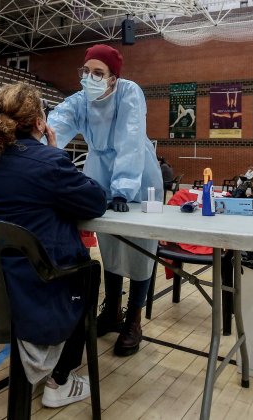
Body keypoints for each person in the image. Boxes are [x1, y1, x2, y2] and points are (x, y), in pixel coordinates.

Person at [0, 82, 108, 408]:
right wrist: (56, 153)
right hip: (26, 303)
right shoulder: (50, 162)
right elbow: (95, 202)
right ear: (40, 123)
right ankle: (60, 380)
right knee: (87, 272)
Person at [47, 44, 163, 357]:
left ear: (113, 77)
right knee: (110, 244)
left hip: (139, 174)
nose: (90, 78)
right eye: (86, 71)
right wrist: (32, 154)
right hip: (99, 171)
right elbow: (55, 126)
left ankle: (134, 319)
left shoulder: (129, 93)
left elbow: (130, 137)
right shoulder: (80, 101)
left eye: (98, 73)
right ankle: (112, 310)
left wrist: (123, 188)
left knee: (140, 248)